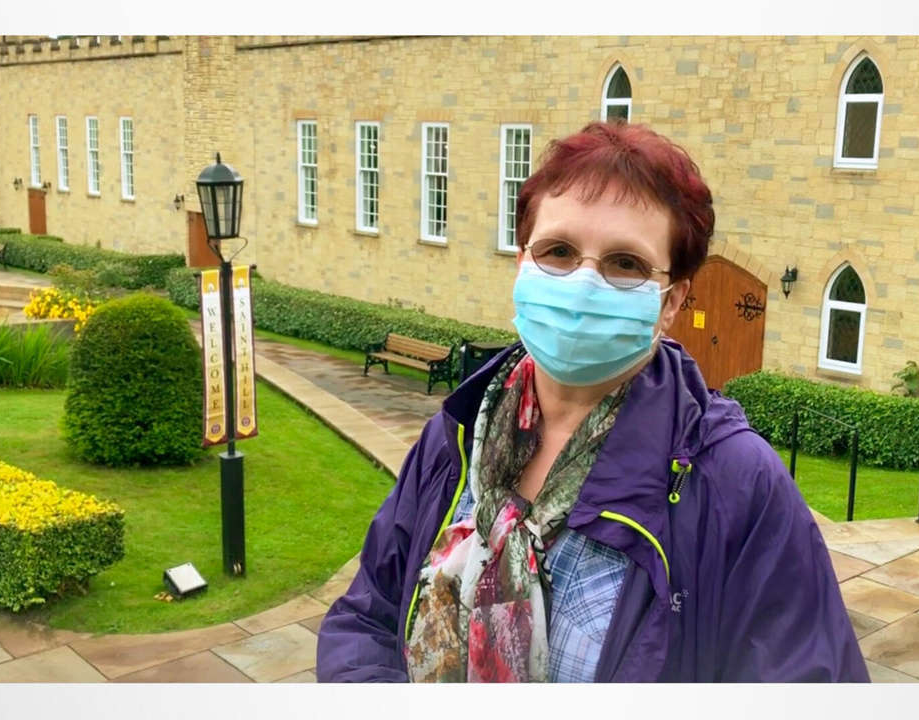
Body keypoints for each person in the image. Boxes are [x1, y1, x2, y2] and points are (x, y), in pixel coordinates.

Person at [316, 121, 869, 682]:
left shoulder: (734, 484)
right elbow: (367, 618)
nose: (583, 285)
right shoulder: (458, 434)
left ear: (671, 302)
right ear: (522, 263)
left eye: (625, 264)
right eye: (558, 252)